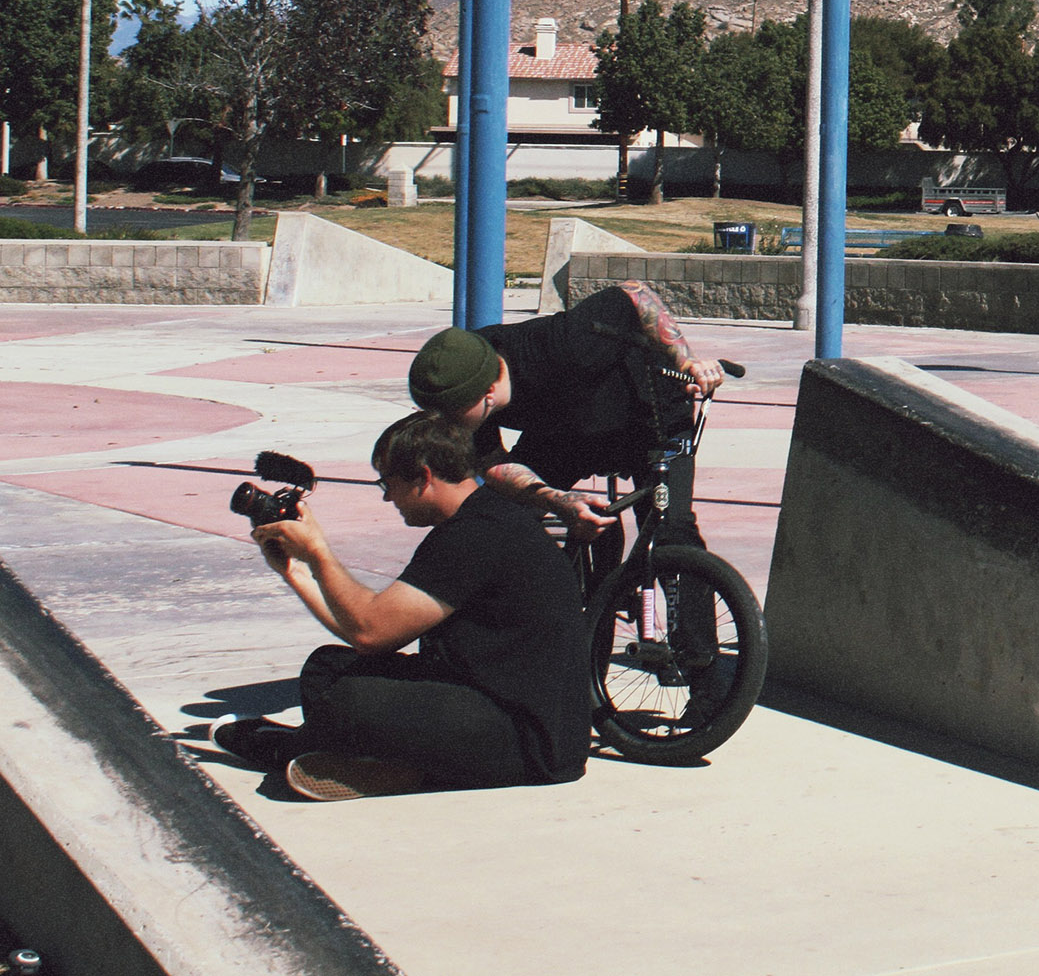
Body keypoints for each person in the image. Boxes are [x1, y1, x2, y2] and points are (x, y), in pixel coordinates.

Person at [210, 411, 591, 801]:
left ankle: (284, 749)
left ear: (423, 477)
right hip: (490, 702)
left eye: (388, 483)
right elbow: (366, 634)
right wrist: (296, 572)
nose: (387, 496)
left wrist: (319, 552)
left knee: (348, 700)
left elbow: (371, 632)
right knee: (327, 670)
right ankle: (391, 766)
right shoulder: (481, 517)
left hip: (529, 742)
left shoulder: (476, 536)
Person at [405, 280, 726, 548]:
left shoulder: (562, 344)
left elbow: (633, 294)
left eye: (453, 416)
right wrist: (554, 499)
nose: (449, 426)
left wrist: (687, 361)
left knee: (671, 532)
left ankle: (687, 617)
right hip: (565, 432)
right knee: (495, 519)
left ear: (487, 394)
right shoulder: (462, 375)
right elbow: (493, 464)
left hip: (650, 413)